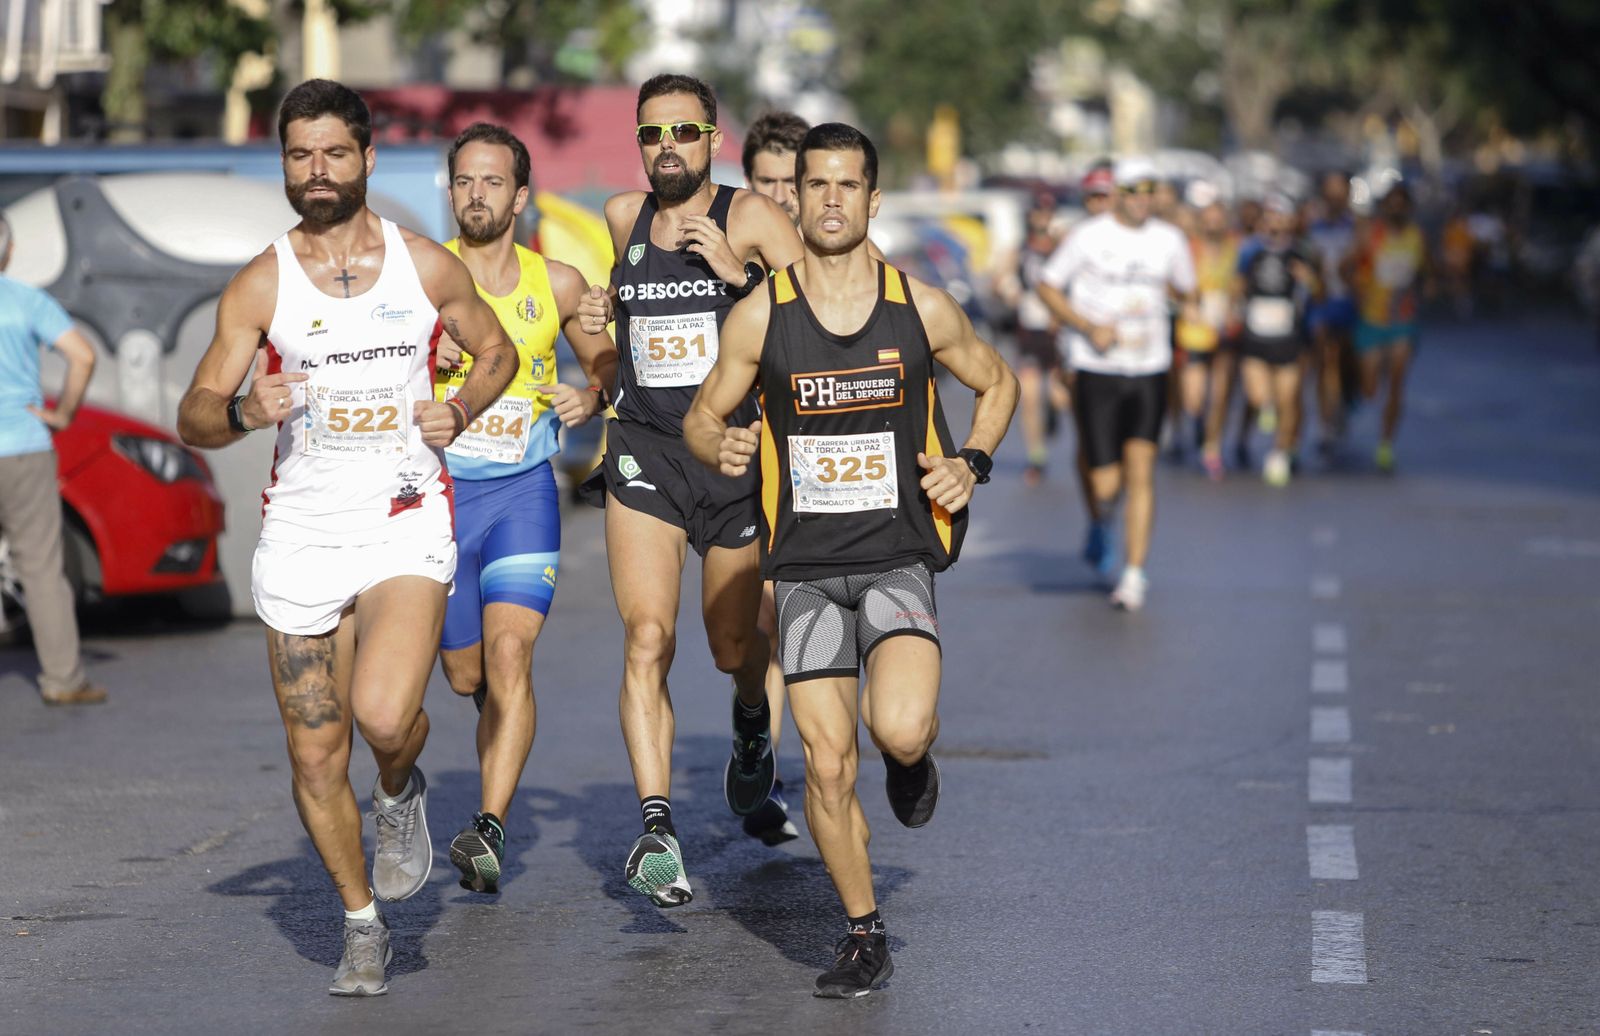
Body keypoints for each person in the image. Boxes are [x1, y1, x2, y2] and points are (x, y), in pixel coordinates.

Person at [177, 79, 518, 997]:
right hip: (301, 531)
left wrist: (460, 408)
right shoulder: (261, 282)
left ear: (367, 158)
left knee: (379, 717)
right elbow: (195, 415)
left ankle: (400, 789)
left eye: (334, 153)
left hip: (404, 515)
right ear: (284, 164)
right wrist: (247, 407)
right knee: (316, 752)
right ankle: (362, 923)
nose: (316, 171)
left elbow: (497, 353)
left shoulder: (424, 265)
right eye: (299, 155)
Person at [683, 122, 1017, 998]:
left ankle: (912, 765)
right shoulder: (765, 311)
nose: (831, 199)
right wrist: (715, 440)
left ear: (873, 198)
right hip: (802, 574)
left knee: (897, 728)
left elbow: (999, 381)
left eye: (848, 185)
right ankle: (863, 930)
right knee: (827, 765)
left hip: (897, 558)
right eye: (815, 184)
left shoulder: (920, 306)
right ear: (796, 194)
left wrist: (971, 460)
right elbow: (701, 413)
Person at [575, 74, 804, 907]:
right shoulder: (620, 218)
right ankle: (658, 828)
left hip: (734, 457)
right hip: (645, 454)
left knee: (733, 649)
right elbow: (619, 321)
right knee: (647, 638)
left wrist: (741, 276)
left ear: (714, 139)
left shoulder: (752, 219)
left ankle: (751, 720)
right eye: (652, 133)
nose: (666, 146)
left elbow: (816, 312)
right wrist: (606, 315)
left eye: (684, 130)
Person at [430, 122, 618, 894]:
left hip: (521, 493)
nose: (478, 194)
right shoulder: (417, 281)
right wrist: (421, 357)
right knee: (465, 675)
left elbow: (605, 359)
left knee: (511, 660)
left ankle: (490, 826)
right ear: (452, 192)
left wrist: (592, 390)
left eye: (493, 181)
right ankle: (483, 763)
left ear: (521, 195)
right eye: (466, 181)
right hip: (436, 502)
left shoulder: (560, 284)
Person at [1036, 157, 1197, 612]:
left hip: (1149, 367)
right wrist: (1087, 327)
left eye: (1151, 191)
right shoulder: (1088, 237)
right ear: (1119, 194)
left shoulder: (1170, 240)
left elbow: (1188, 289)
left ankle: (1134, 573)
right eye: (1134, 191)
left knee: (1142, 470)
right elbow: (1048, 287)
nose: (1143, 200)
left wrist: (1190, 301)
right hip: (1097, 367)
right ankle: (1102, 517)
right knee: (1107, 483)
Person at [0, 213, 107, 706]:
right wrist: (62, 413)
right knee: (40, 566)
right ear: (9, 250)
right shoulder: (26, 301)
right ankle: (64, 680)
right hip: (23, 445)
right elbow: (82, 355)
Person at [1344, 181, 1432, 472]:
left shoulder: (1417, 237)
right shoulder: (1370, 235)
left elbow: (1426, 272)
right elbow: (1346, 266)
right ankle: (1355, 391)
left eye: (1402, 202)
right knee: (1370, 386)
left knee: (1397, 379)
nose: (1397, 208)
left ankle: (1386, 443)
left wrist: (1426, 288)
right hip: (1371, 318)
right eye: (1391, 202)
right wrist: (1357, 287)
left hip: (1402, 319)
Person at [1234, 194, 1321, 485]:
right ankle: (1265, 410)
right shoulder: (1249, 250)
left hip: (1289, 336)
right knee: (1259, 396)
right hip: (1256, 333)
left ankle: (1280, 453)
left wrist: (1307, 279)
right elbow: (1236, 285)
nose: (1274, 221)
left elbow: (1318, 291)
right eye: (1269, 215)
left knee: (1289, 400)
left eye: (1280, 215)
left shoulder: (1302, 252)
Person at [1004, 190, 1068, 486]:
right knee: (1028, 396)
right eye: (1037, 213)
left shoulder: (1063, 249)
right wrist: (1007, 290)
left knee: (1059, 395)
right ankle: (1036, 456)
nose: (1042, 219)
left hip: (1058, 334)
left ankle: (1054, 413)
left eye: (1047, 213)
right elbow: (1003, 279)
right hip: (1029, 332)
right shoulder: (1020, 251)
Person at [1176, 189, 1239, 476]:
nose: (1213, 225)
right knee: (1194, 398)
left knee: (1221, 392)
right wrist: (1186, 304)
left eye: (1218, 220)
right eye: (1208, 220)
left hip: (1225, 329)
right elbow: (1171, 284)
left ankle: (1212, 447)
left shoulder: (1236, 248)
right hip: (1195, 332)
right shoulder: (1188, 248)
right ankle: (1199, 423)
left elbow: (1246, 281)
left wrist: (1236, 305)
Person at [1305, 171, 1359, 459]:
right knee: (1324, 358)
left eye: (1339, 190)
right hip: (1324, 302)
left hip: (1351, 302)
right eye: (1329, 190)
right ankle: (1325, 422)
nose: (1334, 196)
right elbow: (1308, 263)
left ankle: (1345, 401)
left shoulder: (1358, 226)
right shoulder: (1314, 226)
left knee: (1348, 359)